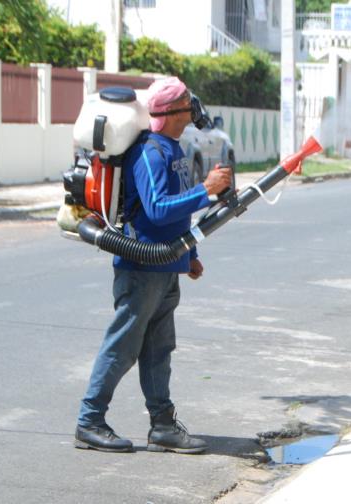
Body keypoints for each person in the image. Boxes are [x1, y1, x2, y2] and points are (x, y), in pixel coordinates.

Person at [75, 77, 232, 454]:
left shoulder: (173, 148)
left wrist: (188, 256)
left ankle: (162, 425)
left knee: (159, 350)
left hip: (166, 266)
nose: (192, 109)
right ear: (171, 113)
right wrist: (206, 191)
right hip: (141, 266)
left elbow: (175, 209)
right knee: (122, 347)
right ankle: (89, 421)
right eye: (185, 105)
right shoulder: (149, 152)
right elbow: (159, 209)